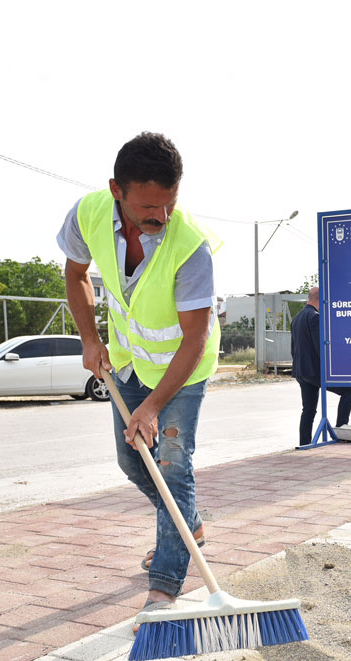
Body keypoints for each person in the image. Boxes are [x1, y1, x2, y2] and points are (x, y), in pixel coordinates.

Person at [60, 132, 219, 622]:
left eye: (169, 205)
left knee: (172, 464)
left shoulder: (191, 247)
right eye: (149, 206)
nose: (161, 218)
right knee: (132, 462)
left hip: (182, 369)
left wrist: (153, 406)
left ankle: (164, 589)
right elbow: (75, 273)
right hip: (129, 361)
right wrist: (90, 338)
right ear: (117, 190)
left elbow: (193, 340)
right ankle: (186, 521)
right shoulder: (87, 213)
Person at [293, 285, 351, 441]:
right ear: (320, 299)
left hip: (301, 371)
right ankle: (341, 431)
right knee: (349, 391)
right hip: (315, 371)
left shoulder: (297, 318)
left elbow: (293, 347)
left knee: (308, 410)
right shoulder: (315, 317)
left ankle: (304, 443)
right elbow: (320, 347)